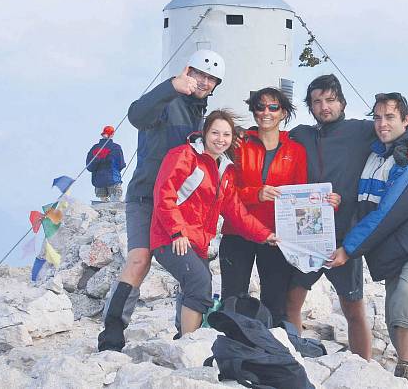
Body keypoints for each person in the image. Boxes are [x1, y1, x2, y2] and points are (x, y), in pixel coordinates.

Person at [286, 75, 408, 362]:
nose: (324, 107)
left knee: (353, 308)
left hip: (346, 237)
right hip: (307, 233)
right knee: (293, 298)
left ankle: (363, 367)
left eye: (330, 100)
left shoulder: (362, 130)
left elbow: (399, 130)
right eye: (317, 101)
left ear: (342, 102)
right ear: (310, 107)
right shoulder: (301, 134)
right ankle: (292, 359)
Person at [98, 50, 225, 352]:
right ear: (187, 71)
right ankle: (112, 334)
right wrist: (170, 87)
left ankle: (187, 335)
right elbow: (137, 116)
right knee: (139, 261)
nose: (203, 82)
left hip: (181, 205)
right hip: (145, 197)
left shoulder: (203, 118)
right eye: (199, 74)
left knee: (192, 267)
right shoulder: (167, 102)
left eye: (211, 78)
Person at [329, 92, 408, 386]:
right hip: (391, 248)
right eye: (378, 117)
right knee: (397, 315)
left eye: (390, 117)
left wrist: (349, 248)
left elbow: (390, 209)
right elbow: (361, 203)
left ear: (405, 120)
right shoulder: (373, 154)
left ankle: (404, 373)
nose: (382, 123)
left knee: (406, 297)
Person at [151, 110, 277, 336]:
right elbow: (164, 194)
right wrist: (177, 233)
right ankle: (189, 343)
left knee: (200, 285)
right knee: (199, 283)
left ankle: (183, 335)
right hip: (169, 237)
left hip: (198, 242)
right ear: (204, 133)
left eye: (226, 135)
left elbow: (236, 212)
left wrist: (265, 234)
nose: (221, 139)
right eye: (215, 133)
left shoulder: (224, 170)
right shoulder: (184, 156)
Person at [219, 87, 307, 325]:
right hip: (237, 232)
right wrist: (256, 194)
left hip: (277, 236)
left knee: (275, 304)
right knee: (232, 300)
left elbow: (300, 194)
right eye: (260, 107)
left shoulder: (296, 151)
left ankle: (270, 355)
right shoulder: (238, 143)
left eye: (273, 107)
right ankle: (229, 352)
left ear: (284, 112)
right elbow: (227, 193)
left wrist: (330, 203)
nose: (265, 112)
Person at [85, 125, 126, 202]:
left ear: (103, 134)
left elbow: (89, 167)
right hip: (113, 180)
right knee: (116, 205)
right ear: (112, 134)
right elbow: (121, 164)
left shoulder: (94, 148)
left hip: (98, 183)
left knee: (102, 206)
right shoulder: (116, 147)